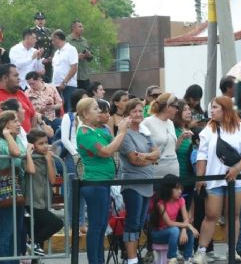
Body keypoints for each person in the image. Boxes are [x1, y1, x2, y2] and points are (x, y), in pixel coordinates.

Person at [193, 96, 241, 264]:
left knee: (233, 216)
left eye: (215, 107)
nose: (211, 110)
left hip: (238, 180)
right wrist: (200, 177)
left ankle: (231, 250)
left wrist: (236, 169)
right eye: (211, 107)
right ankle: (201, 252)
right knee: (211, 215)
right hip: (214, 180)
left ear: (226, 109)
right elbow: (202, 155)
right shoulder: (209, 129)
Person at [76, 97, 126, 264]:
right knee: (96, 227)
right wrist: (122, 132)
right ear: (85, 114)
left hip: (104, 182)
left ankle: (99, 260)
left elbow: (114, 144)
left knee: (101, 226)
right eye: (96, 109)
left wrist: (115, 131)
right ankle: (94, 261)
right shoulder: (83, 132)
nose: (100, 112)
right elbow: (106, 151)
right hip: (94, 183)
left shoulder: (98, 130)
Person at [119, 98, 159, 264]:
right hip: (133, 183)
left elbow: (157, 153)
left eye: (140, 111)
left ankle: (132, 255)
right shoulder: (125, 134)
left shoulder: (145, 132)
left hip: (147, 182)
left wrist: (147, 157)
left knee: (141, 221)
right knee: (133, 222)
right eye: (134, 111)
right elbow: (134, 160)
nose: (138, 114)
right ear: (128, 114)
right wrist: (151, 158)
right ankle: (132, 259)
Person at [0, 110, 25, 264]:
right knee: (7, 231)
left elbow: (21, 152)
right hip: (4, 189)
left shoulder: (16, 139)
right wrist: (6, 135)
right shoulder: (0, 142)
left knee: (16, 231)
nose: (19, 124)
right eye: (15, 121)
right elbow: (17, 153)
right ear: (6, 124)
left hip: (17, 187)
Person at [24, 129, 64, 256]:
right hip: (30, 201)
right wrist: (29, 154)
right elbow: (31, 171)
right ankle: (32, 242)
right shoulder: (26, 158)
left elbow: (53, 180)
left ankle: (34, 244)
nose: (45, 146)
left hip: (44, 201)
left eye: (46, 142)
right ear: (32, 145)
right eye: (41, 143)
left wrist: (48, 161)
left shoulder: (49, 158)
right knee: (57, 223)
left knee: (38, 238)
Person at [150, 175, 199, 264]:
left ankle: (187, 258)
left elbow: (186, 218)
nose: (180, 191)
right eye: (176, 189)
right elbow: (169, 223)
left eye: (181, 188)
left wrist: (185, 229)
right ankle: (172, 258)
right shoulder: (160, 203)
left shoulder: (181, 200)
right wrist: (188, 225)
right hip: (158, 234)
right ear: (168, 189)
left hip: (173, 232)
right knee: (175, 230)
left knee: (188, 231)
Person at [59, 88, 89, 232]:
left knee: (83, 191)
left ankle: (81, 222)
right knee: (73, 191)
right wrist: (75, 153)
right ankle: (72, 223)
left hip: (86, 156)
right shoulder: (69, 116)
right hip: (73, 156)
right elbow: (65, 139)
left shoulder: (87, 118)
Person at [0, 63, 37, 132]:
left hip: (27, 140)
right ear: (5, 78)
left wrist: (33, 137)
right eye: (15, 76)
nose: (19, 79)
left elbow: (33, 116)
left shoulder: (21, 94)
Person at [140, 93, 180, 178]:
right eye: (176, 106)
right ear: (167, 107)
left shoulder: (171, 123)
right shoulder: (147, 122)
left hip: (174, 170)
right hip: (156, 172)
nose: (177, 110)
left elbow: (172, 148)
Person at [51, 29, 79, 113]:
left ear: (57, 38)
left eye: (53, 40)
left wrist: (64, 82)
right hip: (56, 86)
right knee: (58, 112)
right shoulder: (56, 53)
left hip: (68, 85)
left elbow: (74, 68)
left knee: (69, 110)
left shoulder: (71, 49)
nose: (52, 42)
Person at [68, 20, 93, 91]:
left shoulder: (84, 40)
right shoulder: (67, 41)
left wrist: (89, 55)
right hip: (73, 77)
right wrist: (77, 57)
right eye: (80, 27)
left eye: (82, 27)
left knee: (85, 98)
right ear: (73, 28)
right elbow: (64, 59)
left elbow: (90, 58)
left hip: (84, 76)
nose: (82, 29)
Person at [31, 11, 54, 82]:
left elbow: (52, 46)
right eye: (38, 19)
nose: (40, 21)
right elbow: (32, 47)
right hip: (38, 60)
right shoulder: (32, 31)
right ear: (35, 21)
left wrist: (51, 56)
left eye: (42, 19)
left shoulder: (48, 31)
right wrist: (41, 59)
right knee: (38, 80)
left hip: (48, 61)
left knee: (48, 81)